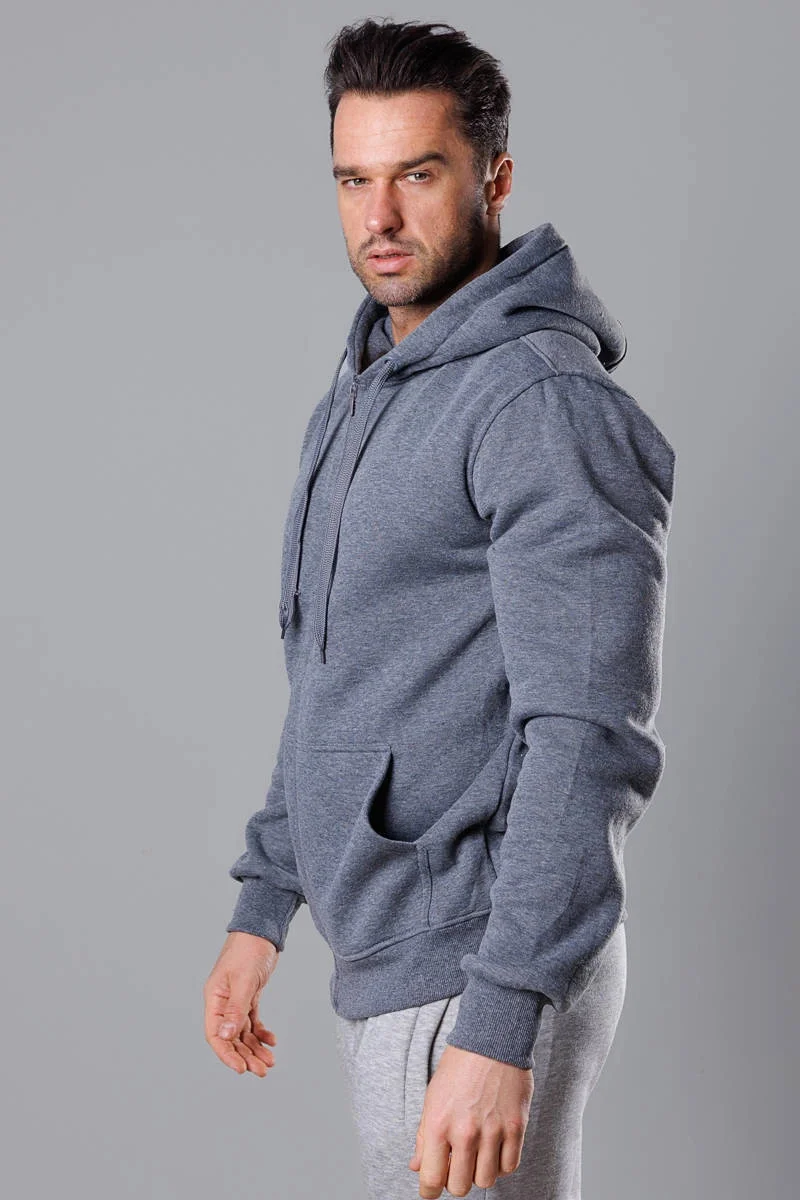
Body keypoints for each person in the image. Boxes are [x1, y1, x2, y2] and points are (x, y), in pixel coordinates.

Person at [203, 18, 676, 1199]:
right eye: (351, 180)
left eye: (416, 175)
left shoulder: (538, 404)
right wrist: (266, 902)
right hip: (399, 951)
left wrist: (500, 1018)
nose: (379, 217)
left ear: (493, 180)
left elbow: (587, 733)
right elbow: (338, 675)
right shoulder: (371, 381)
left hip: (474, 962)